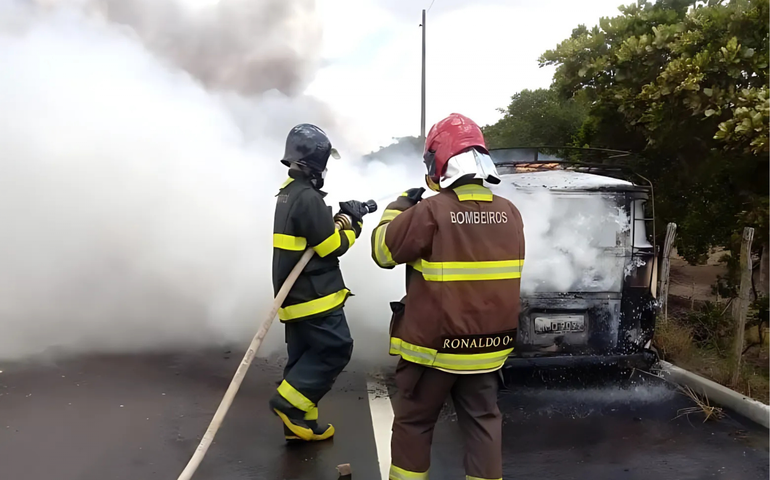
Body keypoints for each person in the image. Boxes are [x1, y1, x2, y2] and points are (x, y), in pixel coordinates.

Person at [370, 113, 525, 480]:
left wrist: (397, 209)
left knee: (415, 424)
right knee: (484, 424)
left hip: (434, 352)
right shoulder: (511, 213)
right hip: (489, 351)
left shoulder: (430, 212)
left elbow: (382, 252)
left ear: (439, 162)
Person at [269, 123, 369, 442]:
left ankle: (300, 425)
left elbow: (314, 235)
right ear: (317, 162)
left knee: (303, 356)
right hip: (315, 296)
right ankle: (288, 405)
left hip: (294, 296)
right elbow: (330, 247)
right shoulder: (308, 198)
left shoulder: (288, 194)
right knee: (335, 349)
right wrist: (355, 226)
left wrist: (343, 217)